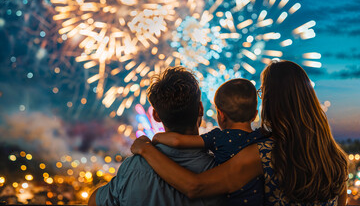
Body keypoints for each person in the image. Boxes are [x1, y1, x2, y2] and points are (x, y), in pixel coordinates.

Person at [131, 60, 349, 205]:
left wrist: (147, 149)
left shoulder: (265, 154)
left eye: (263, 92)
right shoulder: (337, 160)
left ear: (273, 100)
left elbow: (194, 187)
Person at [88, 66, 222, 206]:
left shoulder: (132, 167)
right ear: (200, 109)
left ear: (156, 116)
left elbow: (94, 202)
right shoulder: (220, 166)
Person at [152, 78, 265, 205]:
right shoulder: (261, 138)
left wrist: (156, 137)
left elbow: (178, 141)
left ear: (221, 115)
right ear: (255, 115)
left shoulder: (218, 137)